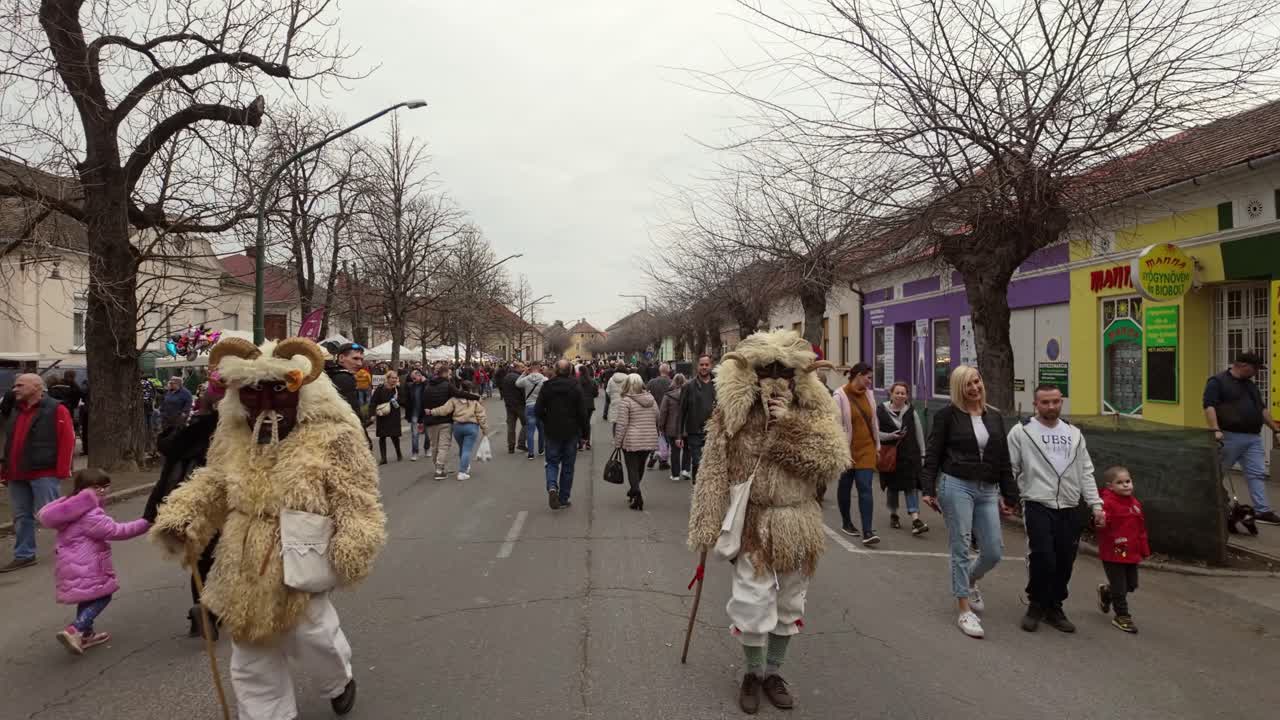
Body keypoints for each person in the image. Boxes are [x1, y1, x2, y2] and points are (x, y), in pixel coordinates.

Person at [153, 337, 385, 719]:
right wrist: (186, 515)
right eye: (251, 390)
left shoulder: (335, 433)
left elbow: (354, 493)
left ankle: (337, 680)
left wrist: (355, 538)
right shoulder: (232, 431)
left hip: (300, 548)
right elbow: (215, 481)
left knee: (314, 634)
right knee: (250, 652)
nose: (263, 401)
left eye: (277, 389)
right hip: (242, 555)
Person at [687, 331, 848, 714]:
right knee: (751, 603)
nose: (774, 378)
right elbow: (713, 467)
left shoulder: (813, 408)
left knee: (790, 603)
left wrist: (788, 425)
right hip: (753, 522)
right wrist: (706, 523)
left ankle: (773, 673)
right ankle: (752, 672)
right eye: (766, 370)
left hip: (797, 522)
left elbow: (832, 459)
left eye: (782, 370)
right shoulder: (733, 411)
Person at [920, 365, 1017, 640]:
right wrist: (928, 488)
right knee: (961, 546)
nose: (974, 388)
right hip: (956, 485)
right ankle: (964, 608)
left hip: (988, 488)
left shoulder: (995, 416)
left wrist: (1010, 495)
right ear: (958, 389)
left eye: (977, 381)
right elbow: (934, 454)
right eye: (967, 385)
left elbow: (1003, 460)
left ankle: (971, 579)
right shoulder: (947, 416)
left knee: (994, 551)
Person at [1008, 384, 1104, 634]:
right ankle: (1036, 604)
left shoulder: (1074, 434)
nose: (1051, 406)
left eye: (1055, 401)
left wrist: (1096, 505)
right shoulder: (1022, 432)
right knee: (1043, 556)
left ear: (1062, 402)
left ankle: (1054, 606)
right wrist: (1007, 496)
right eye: (1045, 402)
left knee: (1065, 559)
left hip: (1070, 505)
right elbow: (1011, 468)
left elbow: (1086, 472)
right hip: (1037, 502)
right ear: (1035, 404)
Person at [37, 468, 150, 655]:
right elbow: (117, 531)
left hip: (70, 564)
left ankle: (86, 634)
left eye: (106, 486)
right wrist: (147, 522)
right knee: (103, 595)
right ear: (84, 489)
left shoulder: (71, 511)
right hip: (89, 565)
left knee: (88, 596)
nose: (103, 491)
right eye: (97, 487)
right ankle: (75, 629)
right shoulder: (90, 515)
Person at [146, 377, 222, 639]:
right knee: (221, 556)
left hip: (193, 499)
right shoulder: (225, 427)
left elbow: (168, 448)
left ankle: (203, 611)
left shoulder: (196, 422)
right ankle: (210, 611)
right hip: (211, 498)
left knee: (203, 558)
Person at [1, 373, 76, 573]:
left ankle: (72, 547)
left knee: (52, 515)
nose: (15, 389)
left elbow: (67, 438)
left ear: (36, 387)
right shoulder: (15, 410)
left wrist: (63, 469)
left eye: (19, 385)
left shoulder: (56, 409)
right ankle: (24, 554)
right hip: (17, 472)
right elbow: (10, 442)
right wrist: (5, 470)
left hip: (44, 471)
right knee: (21, 515)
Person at [1203, 352, 1280, 524]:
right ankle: (1207, 505)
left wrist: (1276, 430)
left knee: (1257, 474)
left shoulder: (1250, 386)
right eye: (1256, 369)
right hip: (1229, 436)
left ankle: (1263, 510)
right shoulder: (1217, 382)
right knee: (1216, 473)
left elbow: (1262, 410)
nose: (1257, 373)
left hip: (1253, 438)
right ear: (1244, 366)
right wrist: (1215, 429)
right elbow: (1209, 406)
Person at [1095, 466, 1149, 634]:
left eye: (1128, 481)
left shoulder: (1135, 504)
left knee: (1131, 585)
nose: (1126, 485)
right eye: (1120, 483)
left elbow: (1140, 529)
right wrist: (1100, 521)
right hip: (1116, 548)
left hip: (1131, 550)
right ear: (1110, 486)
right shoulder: (1107, 503)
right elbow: (1100, 522)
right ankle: (1122, 616)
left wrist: (1143, 548)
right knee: (1120, 585)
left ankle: (1107, 591)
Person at [834, 363, 882, 545]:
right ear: (859, 376)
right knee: (845, 486)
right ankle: (846, 522)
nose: (870, 382)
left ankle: (868, 532)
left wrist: (877, 446)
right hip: (847, 449)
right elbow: (835, 425)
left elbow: (874, 422)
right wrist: (840, 451)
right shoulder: (839, 396)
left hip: (867, 448)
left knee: (865, 486)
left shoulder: (869, 395)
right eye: (868, 377)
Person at [536, 360, 590, 510]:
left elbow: (538, 410)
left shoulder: (547, 386)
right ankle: (563, 498)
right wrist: (585, 433)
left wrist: (546, 420)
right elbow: (582, 413)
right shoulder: (575, 387)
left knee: (552, 462)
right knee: (568, 466)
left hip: (552, 430)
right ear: (570, 370)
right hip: (571, 431)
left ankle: (552, 486)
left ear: (556, 370)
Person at [876, 381, 928, 535]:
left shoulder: (911, 411)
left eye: (903, 393)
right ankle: (894, 514)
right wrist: (890, 436)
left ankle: (915, 519)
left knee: (910, 486)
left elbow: (919, 433)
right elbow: (875, 433)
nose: (900, 395)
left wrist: (923, 453)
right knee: (892, 488)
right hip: (890, 457)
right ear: (891, 394)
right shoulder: (881, 411)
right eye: (897, 392)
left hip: (909, 456)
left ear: (907, 396)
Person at [613, 374, 659, 511]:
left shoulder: (626, 401)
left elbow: (622, 424)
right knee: (640, 467)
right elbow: (658, 416)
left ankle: (636, 493)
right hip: (648, 438)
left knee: (632, 468)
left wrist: (617, 442)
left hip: (631, 440)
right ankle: (634, 489)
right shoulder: (651, 399)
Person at [429, 381, 488, 481]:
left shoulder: (454, 399)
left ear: (460, 387)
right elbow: (481, 415)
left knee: (462, 448)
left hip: (457, 427)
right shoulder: (475, 399)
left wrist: (432, 411)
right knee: (467, 450)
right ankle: (462, 471)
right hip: (471, 426)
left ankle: (465, 465)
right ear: (471, 389)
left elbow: (444, 410)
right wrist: (485, 429)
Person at [677, 355, 718, 484]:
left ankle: (708, 490)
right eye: (702, 365)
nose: (704, 367)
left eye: (707, 365)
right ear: (697, 366)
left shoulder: (718, 385)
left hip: (713, 431)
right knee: (697, 461)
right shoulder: (688, 387)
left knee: (712, 463)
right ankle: (697, 485)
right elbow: (681, 412)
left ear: (711, 366)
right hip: (694, 431)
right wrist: (679, 435)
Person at [420, 363, 458, 480]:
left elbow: (423, 403)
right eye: (450, 374)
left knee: (434, 446)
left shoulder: (427, 387)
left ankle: (438, 467)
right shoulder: (448, 385)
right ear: (445, 373)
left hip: (430, 421)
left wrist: (423, 418)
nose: (451, 376)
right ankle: (439, 469)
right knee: (443, 446)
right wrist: (475, 397)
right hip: (445, 420)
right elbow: (459, 394)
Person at [370, 370, 405, 465]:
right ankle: (383, 458)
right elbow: (373, 402)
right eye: (392, 378)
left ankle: (399, 453)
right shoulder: (380, 388)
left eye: (395, 378)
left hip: (394, 414)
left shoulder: (397, 389)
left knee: (395, 436)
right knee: (382, 437)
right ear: (387, 378)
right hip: (382, 415)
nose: (394, 380)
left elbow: (403, 401)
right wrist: (372, 414)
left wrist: (398, 399)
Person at [659, 374, 687, 482]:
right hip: (687, 426)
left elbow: (663, 412)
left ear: (674, 382)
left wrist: (661, 426)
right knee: (687, 449)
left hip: (672, 427)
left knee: (675, 451)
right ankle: (686, 469)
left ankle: (675, 474)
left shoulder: (668, 396)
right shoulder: (689, 395)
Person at [517, 362, 548, 460]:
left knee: (530, 430)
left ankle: (531, 453)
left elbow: (517, 383)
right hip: (540, 406)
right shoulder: (544, 379)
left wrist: (524, 373)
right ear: (540, 369)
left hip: (529, 405)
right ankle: (541, 449)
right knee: (541, 429)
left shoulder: (526, 379)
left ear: (531, 369)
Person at [646, 363, 674, 470]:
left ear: (659, 371)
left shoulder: (652, 382)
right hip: (668, 414)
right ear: (668, 371)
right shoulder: (671, 383)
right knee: (665, 437)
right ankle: (663, 460)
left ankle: (653, 455)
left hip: (654, 412)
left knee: (656, 436)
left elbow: (646, 394)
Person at [501, 363, 528, 454]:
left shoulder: (506, 377)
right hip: (519, 404)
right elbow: (523, 392)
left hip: (509, 404)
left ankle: (511, 446)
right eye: (522, 367)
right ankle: (521, 442)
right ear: (517, 368)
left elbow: (503, 389)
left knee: (511, 426)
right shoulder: (519, 378)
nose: (524, 369)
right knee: (526, 423)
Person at [403, 369, 428, 461]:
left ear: (420, 376)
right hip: (414, 412)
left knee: (428, 433)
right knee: (414, 434)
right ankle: (415, 452)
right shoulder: (410, 386)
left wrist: (425, 382)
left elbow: (430, 391)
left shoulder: (426, 385)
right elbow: (406, 398)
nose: (413, 380)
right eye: (412, 378)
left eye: (415, 378)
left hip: (425, 412)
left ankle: (427, 448)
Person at [578, 365, 598, 449]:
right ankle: (588, 442)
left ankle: (580, 443)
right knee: (587, 423)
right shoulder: (592, 381)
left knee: (580, 423)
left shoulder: (577, 381)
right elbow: (595, 393)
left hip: (580, 404)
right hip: (589, 404)